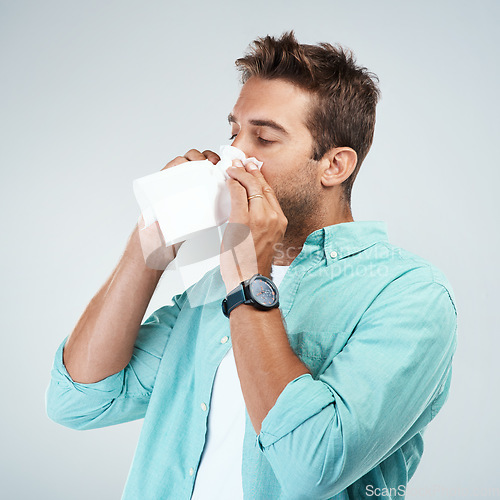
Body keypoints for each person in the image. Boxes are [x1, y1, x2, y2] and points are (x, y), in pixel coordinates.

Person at [45, 30, 458, 500]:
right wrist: (153, 241)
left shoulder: (410, 295)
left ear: (334, 166)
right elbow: (77, 400)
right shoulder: (208, 292)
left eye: (263, 137)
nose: (233, 157)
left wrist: (247, 279)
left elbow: (312, 467)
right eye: (233, 133)